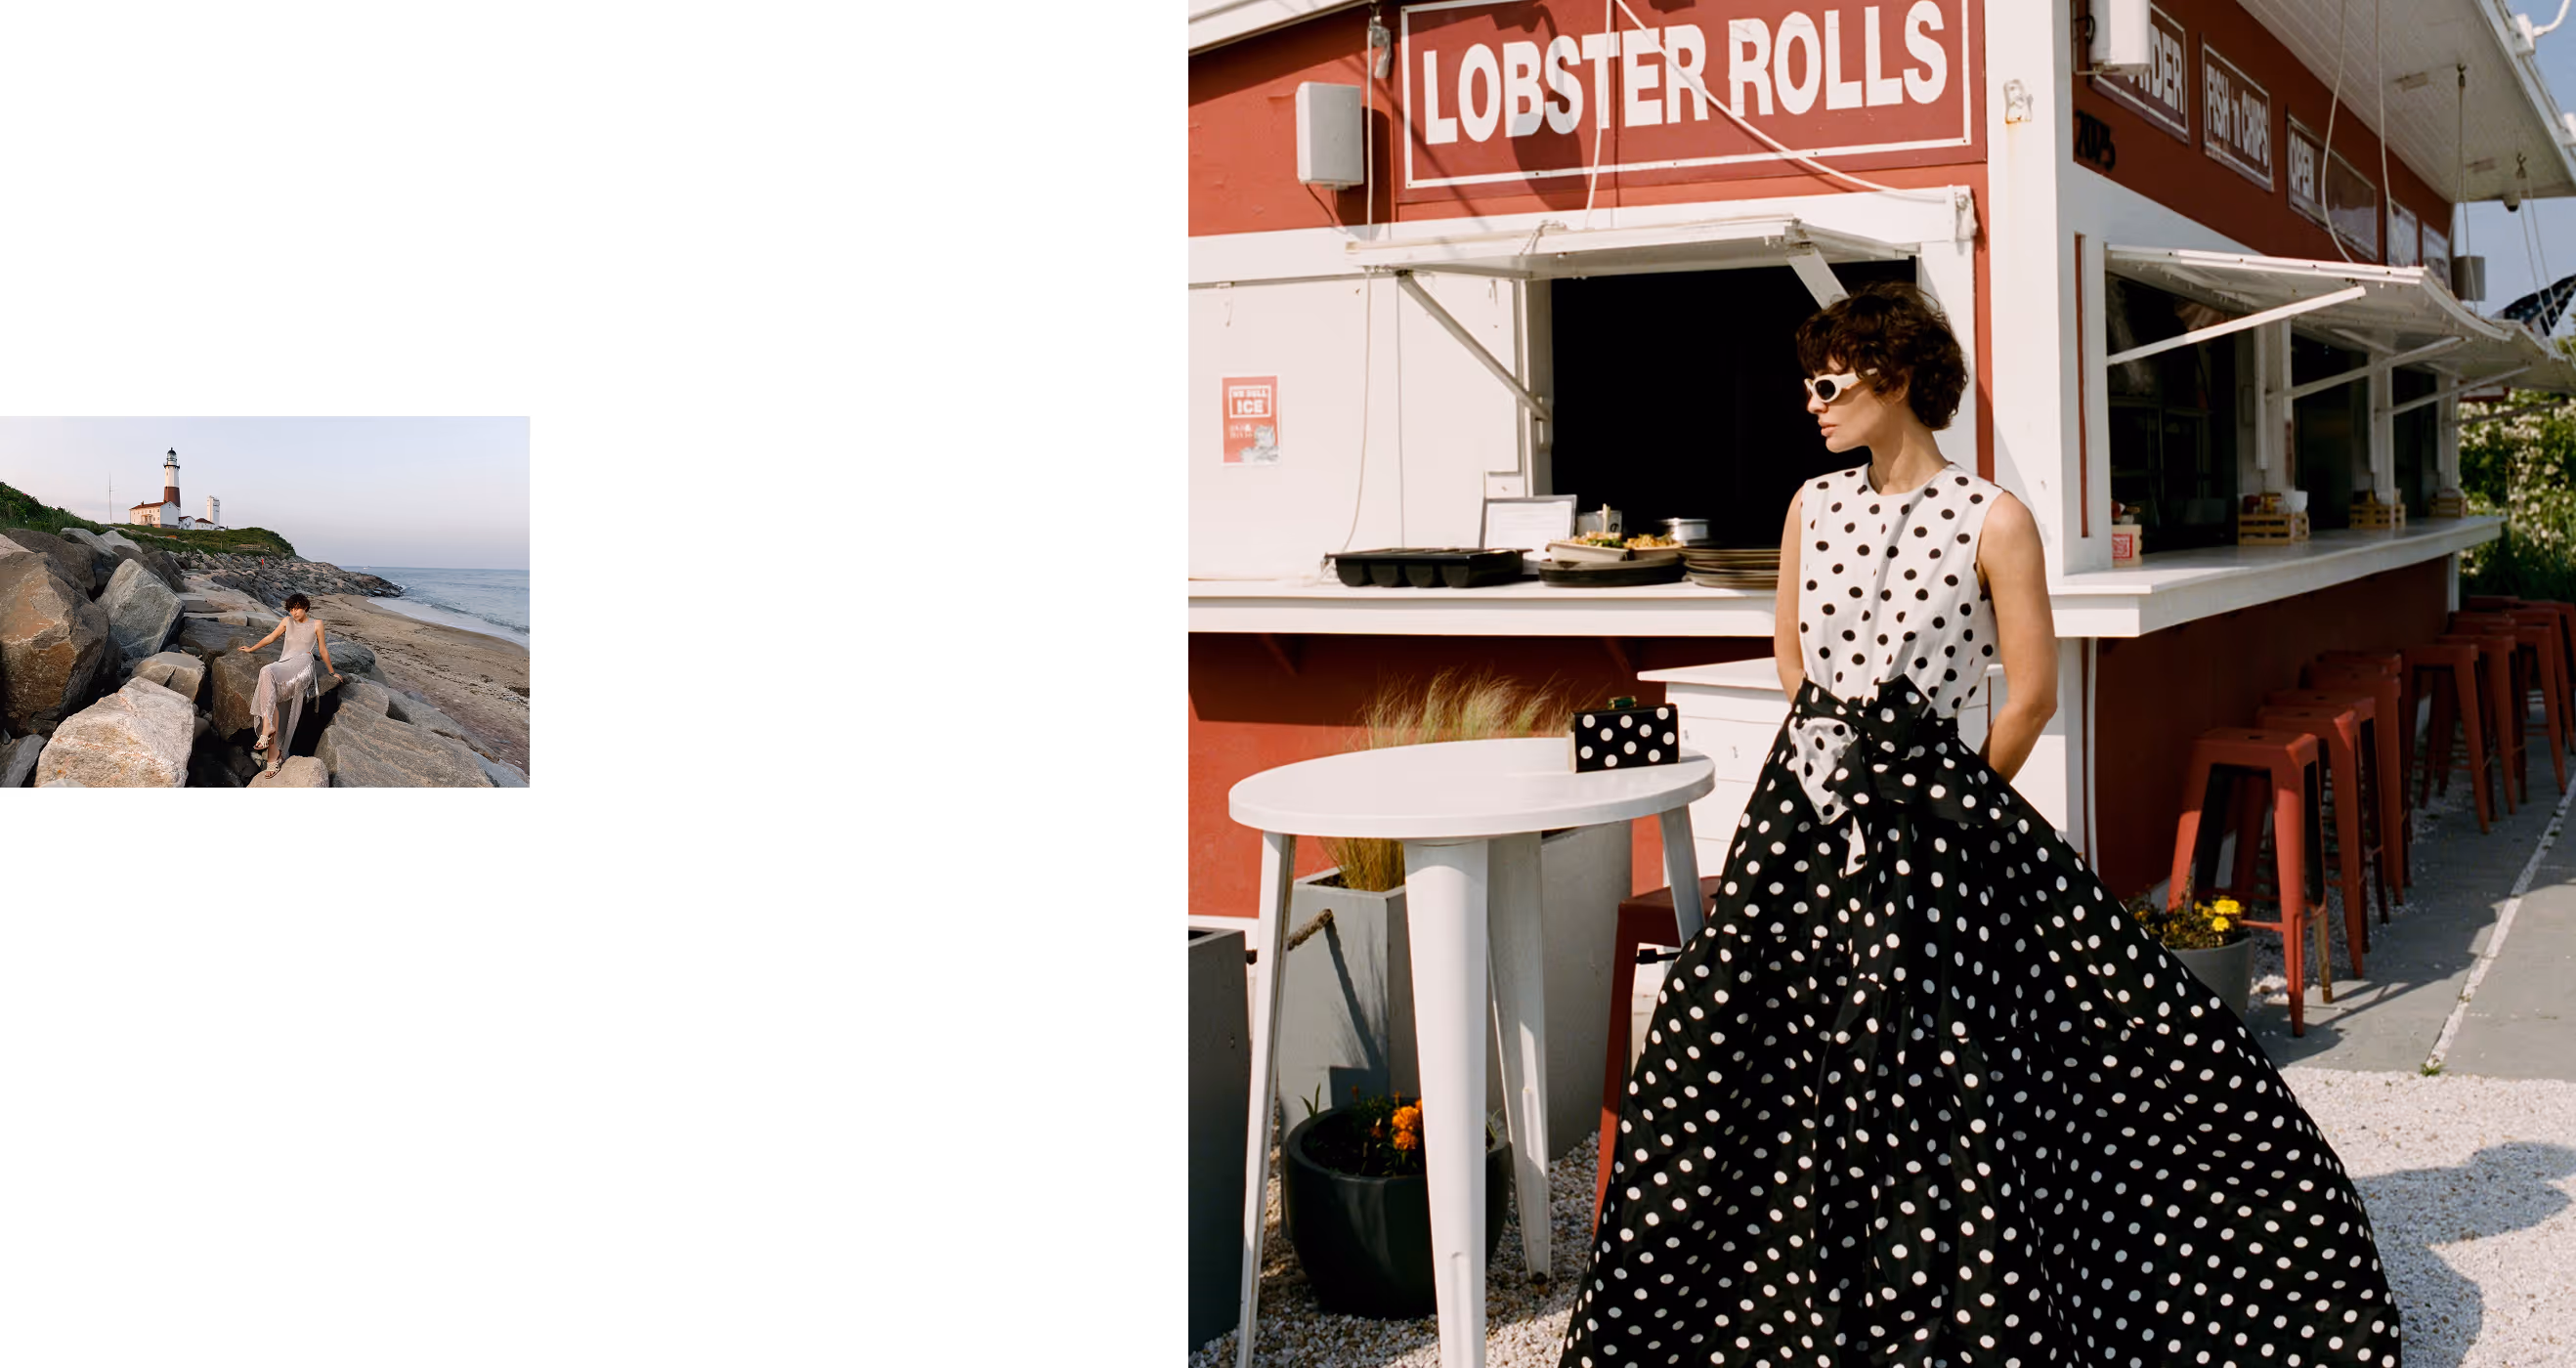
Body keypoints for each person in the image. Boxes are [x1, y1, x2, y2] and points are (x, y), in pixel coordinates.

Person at [1558, 282, 2396, 1367]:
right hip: (1801, 827)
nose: (1810, 402)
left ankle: (1955, 1314)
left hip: (1934, 835)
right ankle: (1766, 1310)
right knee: (1743, 1056)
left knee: (1950, 1070)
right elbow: (1788, 653)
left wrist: (1946, 803)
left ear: (1893, 377)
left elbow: (2030, 694)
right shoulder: (1809, 504)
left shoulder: (1993, 518)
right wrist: (1830, 771)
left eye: (1827, 381)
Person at [236, 593, 341, 775]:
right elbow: (270, 638)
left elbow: (322, 649)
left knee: (277, 693)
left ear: (306, 607)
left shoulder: (317, 624)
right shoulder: (287, 622)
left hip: (303, 663)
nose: (294, 612)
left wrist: (332, 672)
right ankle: (269, 732)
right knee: (266, 671)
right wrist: (252, 648)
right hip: (284, 663)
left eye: (298, 608)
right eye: (291, 609)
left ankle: (273, 756)